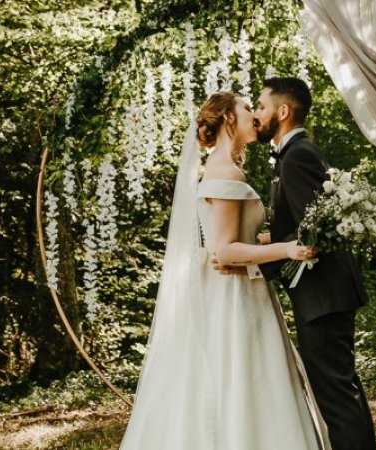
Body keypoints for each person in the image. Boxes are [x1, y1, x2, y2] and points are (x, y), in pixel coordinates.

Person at [118, 91, 330, 450]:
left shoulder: (219, 166)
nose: (254, 113)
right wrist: (288, 249)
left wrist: (267, 242)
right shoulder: (227, 171)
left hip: (227, 287)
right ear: (229, 119)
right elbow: (227, 249)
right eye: (247, 108)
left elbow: (232, 240)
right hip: (236, 294)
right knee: (246, 377)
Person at [218, 77, 376, 450]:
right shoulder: (293, 154)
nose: (256, 114)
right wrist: (259, 243)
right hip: (325, 293)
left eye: (260, 106)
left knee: (336, 397)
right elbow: (302, 225)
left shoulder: (299, 155)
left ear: (283, 111)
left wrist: (251, 262)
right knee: (342, 389)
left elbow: (315, 236)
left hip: (323, 294)